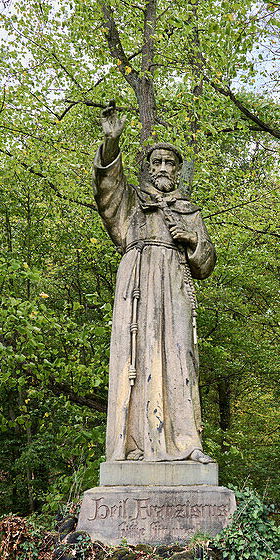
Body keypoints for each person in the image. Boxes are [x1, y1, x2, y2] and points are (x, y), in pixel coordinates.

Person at [93, 102, 216, 463]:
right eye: (157, 163)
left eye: (170, 164)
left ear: (177, 173)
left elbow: (207, 263)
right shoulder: (131, 202)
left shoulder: (189, 212)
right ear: (147, 169)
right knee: (137, 356)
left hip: (175, 287)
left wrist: (192, 240)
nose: (163, 168)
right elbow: (107, 189)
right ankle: (134, 446)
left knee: (181, 357)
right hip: (137, 286)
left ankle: (186, 443)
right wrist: (111, 144)